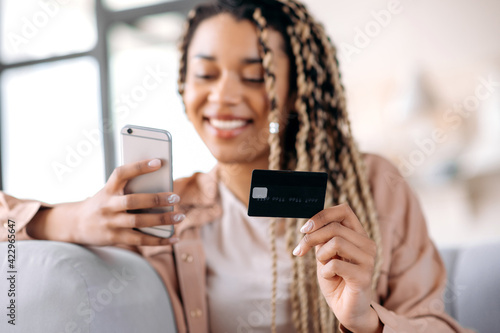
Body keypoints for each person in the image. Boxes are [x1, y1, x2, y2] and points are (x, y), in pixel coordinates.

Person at [0, 0, 475, 332]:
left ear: (293, 93)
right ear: (183, 88)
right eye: (204, 74)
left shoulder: (373, 184)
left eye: (254, 76)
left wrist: (365, 321)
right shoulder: (165, 208)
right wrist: (69, 219)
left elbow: (436, 322)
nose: (224, 95)